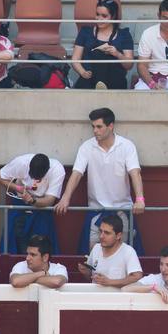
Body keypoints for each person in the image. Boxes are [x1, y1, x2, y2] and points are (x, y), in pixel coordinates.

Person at [55, 107, 147, 250]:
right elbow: (76, 173)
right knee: (92, 257)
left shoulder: (126, 146)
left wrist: (140, 199)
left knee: (124, 254)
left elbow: (135, 173)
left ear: (110, 126)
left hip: (122, 210)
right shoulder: (86, 147)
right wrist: (65, 198)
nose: (95, 131)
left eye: (99, 126)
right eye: (93, 127)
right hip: (96, 211)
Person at [77, 212, 143, 288]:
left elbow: (137, 276)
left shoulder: (128, 251)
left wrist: (110, 282)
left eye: (107, 233)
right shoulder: (96, 248)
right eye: (100, 231)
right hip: (96, 296)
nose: (101, 236)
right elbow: (90, 276)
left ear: (118, 236)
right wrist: (86, 272)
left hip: (118, 298)